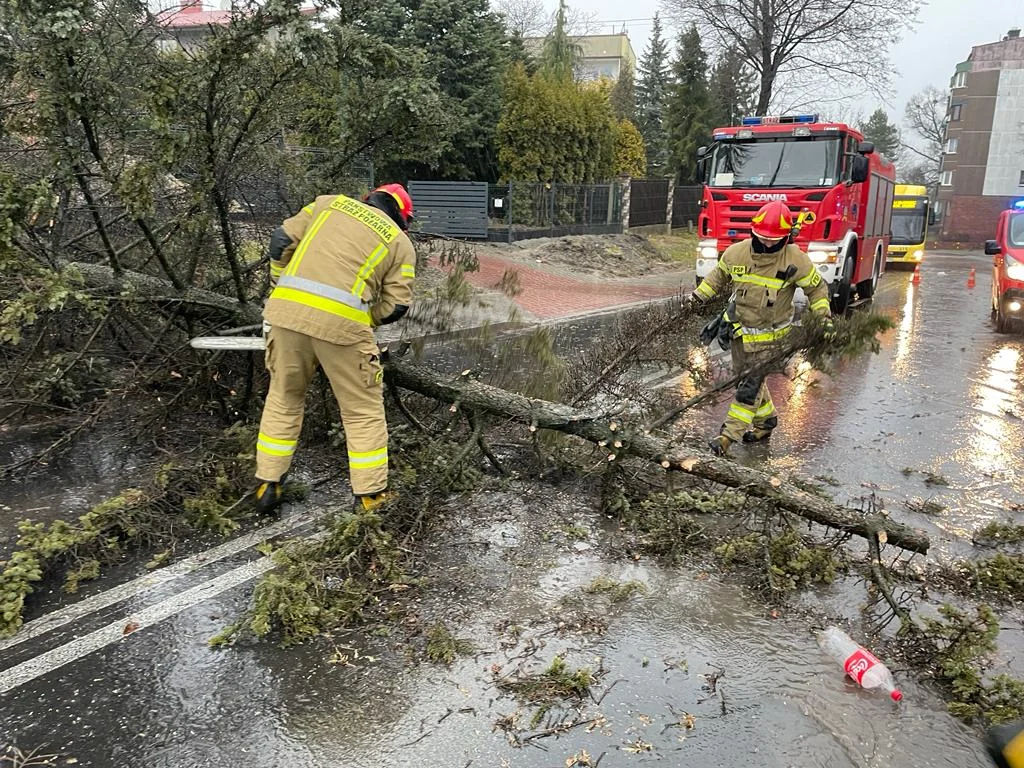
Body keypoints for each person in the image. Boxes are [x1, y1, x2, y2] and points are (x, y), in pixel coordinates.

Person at [253, 184, 417, 515]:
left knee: (284, 397)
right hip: (343, 331)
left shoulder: (327, 205)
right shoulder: (400, 243)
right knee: (361, 411)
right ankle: (371, 496)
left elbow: (280, 241)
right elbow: (397, 305)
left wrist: (278, 288)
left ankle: (267, 485)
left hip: (284, 317)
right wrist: (364, 321)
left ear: (369, 198)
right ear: (402, 217)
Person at [690, 200, 834, 456]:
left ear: (785, 237)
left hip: (772, 339)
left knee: (749, 387)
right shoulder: (737, 253)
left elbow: (817, 288)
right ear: (753, 232)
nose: (768, 244)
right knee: (746, 380)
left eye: (774, 240)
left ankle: (727, 436)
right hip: (739, 334)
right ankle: (766, 422)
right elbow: (717, 277)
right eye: (763, 238)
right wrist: (696, 299)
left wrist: (823, 317)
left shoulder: (795, 260)